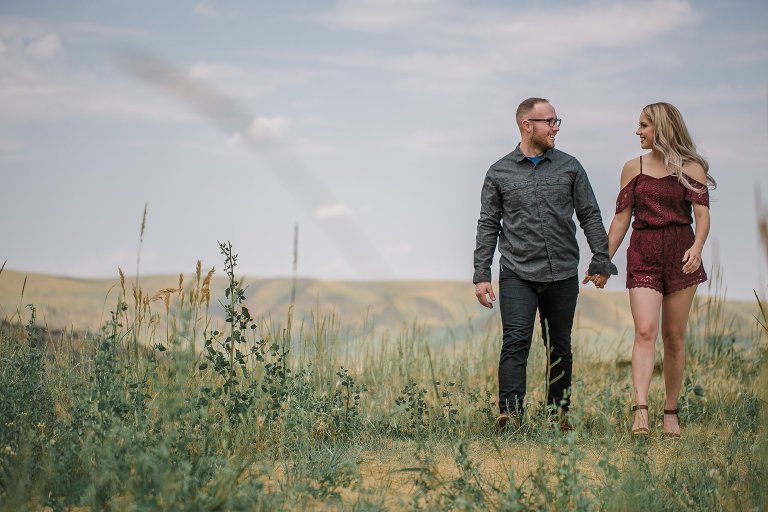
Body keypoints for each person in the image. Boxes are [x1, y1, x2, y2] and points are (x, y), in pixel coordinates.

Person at [473, 97, 617, 433]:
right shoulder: (499, 172)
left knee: (559, 345)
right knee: (515, 341)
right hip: (517, 272)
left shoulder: (570, 166)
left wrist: (601, 258)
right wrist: (482, 274)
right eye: (549, 121)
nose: (555, 127)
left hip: (562, 271)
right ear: (527, 125)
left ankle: (558, 415)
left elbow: (590, 214)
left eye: (556, 121)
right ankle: (510, 418)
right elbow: (488, 224)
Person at [585, 102, 715, 438]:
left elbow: (701, 216)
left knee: (674, 337)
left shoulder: (692, 167)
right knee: (645, 331)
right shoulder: (633, 167)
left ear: (662, 128)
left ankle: (670, 411)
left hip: (681, 251)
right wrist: (602, 260)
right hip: (643, 251)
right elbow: (620, 220)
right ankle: (640, 410)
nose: (637, 131)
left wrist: (697, 247)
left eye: (644, 125)